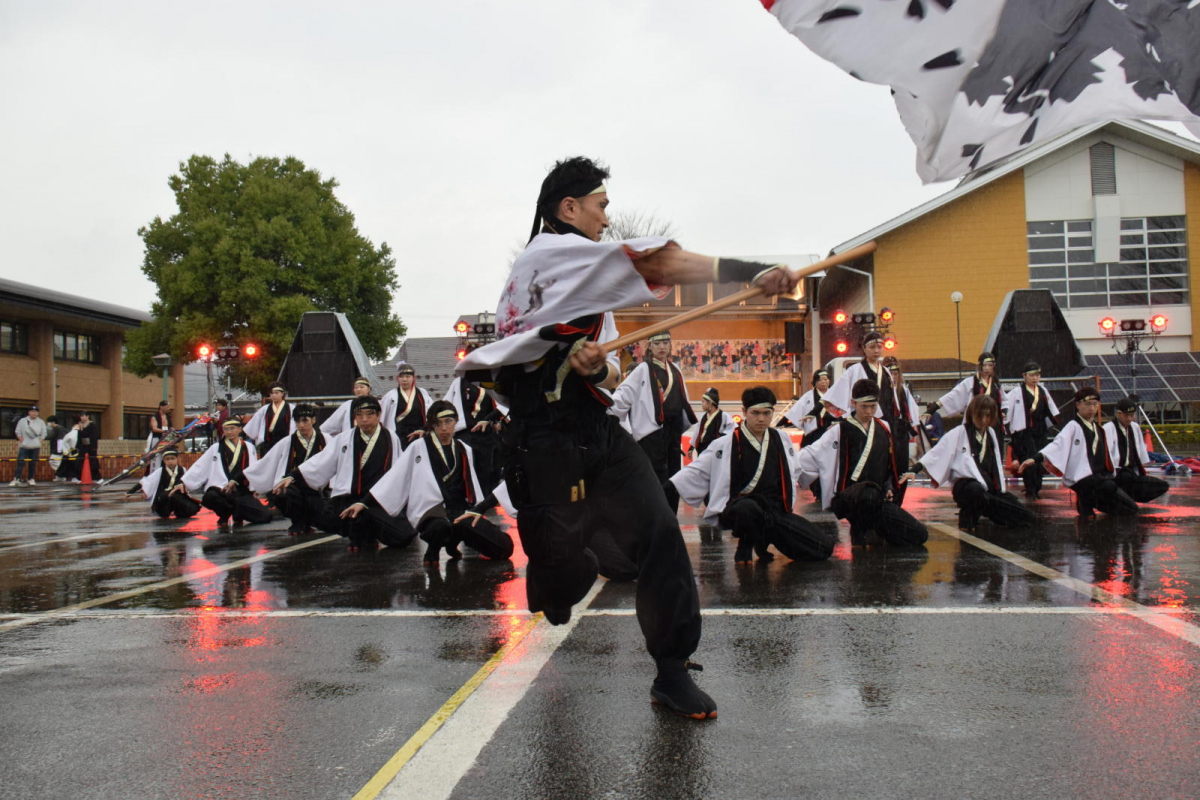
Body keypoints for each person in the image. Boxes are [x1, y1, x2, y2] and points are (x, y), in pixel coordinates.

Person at [456, 155, 799, 720]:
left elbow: (611, 376)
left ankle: (670, 670)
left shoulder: (584, 282)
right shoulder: (550, 256)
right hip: (544, 441)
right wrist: (751, 270)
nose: (606, 221)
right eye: (600, 207)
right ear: (568, 209)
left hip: (598, 431)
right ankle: (553, 570)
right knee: (567, 578)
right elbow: (658, 259)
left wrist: (594, 369)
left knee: (661, 531)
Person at [669, 386, 835, 563]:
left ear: (773, 412)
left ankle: (763, 540)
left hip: (774, 512)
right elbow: (697, 470)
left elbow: (795, 468)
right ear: (744, 411)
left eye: (767, 413)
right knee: (748, 509)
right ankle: (746, 544)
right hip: (740, 510)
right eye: (755, 413)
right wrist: (665, 489)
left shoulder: (782, 439)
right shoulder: (726, 443)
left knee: (822, 548)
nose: (761, 419)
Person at [372, 400, 514, 564]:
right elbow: (396, 476)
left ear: (455, 421)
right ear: (431, 425)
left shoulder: (463, 448)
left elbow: (471, 482)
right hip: (432, 510)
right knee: (439, 527)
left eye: (448, 421)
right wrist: (365, 503)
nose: (444, 428)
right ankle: (433, 549)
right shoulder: (419, 446)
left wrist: (477, 509)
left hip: (459, 508)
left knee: (504, 549)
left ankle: (453, 543)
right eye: (438, 423)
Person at [799, 379, 928, 547]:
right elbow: (812, 454)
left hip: (877, 497)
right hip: (850, 498)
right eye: (864, 406)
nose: (869, 411)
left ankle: (877, 528)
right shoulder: (840, 430)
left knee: (919, 534)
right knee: (868, 494)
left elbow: (889, 465)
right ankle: (859, 530)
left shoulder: (884, 428)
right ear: (853, 403)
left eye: (873, 406)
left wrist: (889, 487)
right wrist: (790, 463)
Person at [294, 395, 416, 551]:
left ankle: (368, 532)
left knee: (404, 536)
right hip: (349, 499)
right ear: (355, 417)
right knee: (325, 513)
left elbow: (398, 474)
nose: (364, 419)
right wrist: (294, 475)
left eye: (369, 414)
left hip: (377, 501)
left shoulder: (391, 437)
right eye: (360, 415)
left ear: (379, 415)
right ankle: (359, 535)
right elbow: (321, 462)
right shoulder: (344, 438)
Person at [904, 395, 1034, 533]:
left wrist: (999, 490)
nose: (983, 420)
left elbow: (995, 462)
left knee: (1027, 518)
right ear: (972, 414)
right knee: (977, 491)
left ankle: (988, 509)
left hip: (988, 488)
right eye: (980, 416)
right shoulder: (959, 433)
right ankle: (969, 515)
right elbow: (936, 453)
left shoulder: (990, 433)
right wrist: (914, 469)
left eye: (988, 416)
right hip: (966, 487)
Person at [1018, 386, 1138, 518]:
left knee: (1130, 508)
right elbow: (1057, 445)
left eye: (1095, 404)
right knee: (1108, 487)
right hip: (1081, 476)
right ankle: (1086, 503)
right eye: (1087, 404)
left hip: (1097, 475)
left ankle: (1093, 502)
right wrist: (1035, 458)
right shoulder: (1073, 426)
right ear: (1078, 405)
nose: (1092, 408)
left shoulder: (1098, 429)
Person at [610, 331, 698, 494]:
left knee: (674, 478)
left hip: (673, 430)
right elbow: (624, 394)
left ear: (671, 345)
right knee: (654, 480)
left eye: (665, 343)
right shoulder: (642, 369)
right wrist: (607, 410)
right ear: (649, 346)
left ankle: (670, 517)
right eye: (657, 343)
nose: (662, 347)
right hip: (652, 434)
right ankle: (654, 517)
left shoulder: (675, 369)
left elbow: (683, 398)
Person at [246, 403, 328, 534]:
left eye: (305, 421)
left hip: (319, 487)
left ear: (313, 420)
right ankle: (297, 521)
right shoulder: (288, 441)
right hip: (293, 487)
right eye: (298, 421)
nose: (301, 425)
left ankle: (309, 521)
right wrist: (238, 479)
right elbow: (267, 461)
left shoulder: (326, 439)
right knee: (282, 495)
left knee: (327, 519)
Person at [176, 418, 273, 526]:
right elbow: (200, 466)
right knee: (210, 497)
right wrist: (184, 482)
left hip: (241, 489)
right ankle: (225, 514)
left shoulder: (249, 447)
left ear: (240, 429)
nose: (229, 432)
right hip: (221, 488)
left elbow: (253, 468)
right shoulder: (216, 447)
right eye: (226, 429)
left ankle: (237, 513)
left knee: (265, 516)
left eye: (232, 428)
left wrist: (255, 486)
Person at [1005, 361, 1060, 499]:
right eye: (1031, 375)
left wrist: (1055, 421)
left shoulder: (1042, 391)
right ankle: (1031, 488)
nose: (1035, 378)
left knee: (1039, 458)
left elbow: (1051, 409)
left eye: (1037, 375)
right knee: (1028, 459)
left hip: (1039, 430)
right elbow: (1006, 411)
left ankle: (1037, 486)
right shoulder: (1016, 392)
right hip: (1024, 431)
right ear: (1024, 376)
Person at [444, 375, 507, 494]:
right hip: (465, 431)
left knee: (485, 468)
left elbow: (502, 405)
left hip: (485, 433)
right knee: (465, 466)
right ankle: (467, 497)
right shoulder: (460, 383)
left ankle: (484, 498)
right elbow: (447, 404)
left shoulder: (492, 382)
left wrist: (495, 421)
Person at [925, 352, 1006, 444]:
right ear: (979, 366)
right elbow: (953, 395)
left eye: (990, 365)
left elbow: (1004, 401)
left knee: (993, 447)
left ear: (993, 366)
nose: (987, 368)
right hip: (976, 420)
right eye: (984, 365)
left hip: (993, 421)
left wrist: (1004, 411)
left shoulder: (996, 384)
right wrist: (934, 407)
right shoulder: (971, 382)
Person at [1104, 396, 1169, 505]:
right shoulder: (1108, 428)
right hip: (1117, 473)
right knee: (1126, 477)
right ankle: (1121, 498)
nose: (1129, 418)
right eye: (1126, 415)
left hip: (1132, 471)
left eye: (1131, 415)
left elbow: (1140, 450)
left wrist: (1142, 468)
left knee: (1162, 485)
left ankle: (1130, 498)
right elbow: (1107, 454)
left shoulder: (1135, 427)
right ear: (1118, 414)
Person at [134, 448, 201, 519]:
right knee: (165, 498)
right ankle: (166, 512)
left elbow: (190, 480)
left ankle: (180, 512)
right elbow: (146, 481)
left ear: (177, 459)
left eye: (173, 458)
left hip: (178, 496)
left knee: (191, 508)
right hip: (164, 497)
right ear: (164, 460)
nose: (170, 461)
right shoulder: (160, 471)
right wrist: (130, 492)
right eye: (167, 459)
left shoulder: (182, 469)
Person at [380, 362, 433, 449]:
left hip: (419, 434)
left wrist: (424, 429)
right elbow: (382, 416)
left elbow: (431, 413)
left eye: (408, 377)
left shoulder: (422, 394)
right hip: (398, 435)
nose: (404, 379)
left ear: (414, 378)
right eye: (402, 377)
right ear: (397, 378)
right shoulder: (390, 396)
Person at [784, 369, 834, 446]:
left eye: (825, 379)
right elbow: (796, 411)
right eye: (820, 380)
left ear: (829, 380)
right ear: (815, 382)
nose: (823, 382)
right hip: (813, 433)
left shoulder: (834, 395)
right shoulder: (808, 396)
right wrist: (783, 422)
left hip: (831, 432)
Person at [244, 383, 296, 455]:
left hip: (286, 442)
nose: (274, 395)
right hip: (268, 443)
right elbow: (254, 424)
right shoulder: (264, 409)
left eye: (276, 393)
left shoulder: (291, 408)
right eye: (272, 393)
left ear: (282, 394)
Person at [685, 387, 733, 457]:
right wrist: (691, 448)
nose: (702, 404)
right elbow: (697, 432)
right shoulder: (703, 417)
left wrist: (721, 438)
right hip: (702, 449)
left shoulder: (723, 416)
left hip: (715, 450)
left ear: (710, 403)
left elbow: (732, 430)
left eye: (703, 402)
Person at [11, 406, 47, 487]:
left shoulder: (41, 422)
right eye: (32, 411)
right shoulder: (22, 421)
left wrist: (40, 441)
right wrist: (21, 439)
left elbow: (44, 433)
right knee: (20, 462)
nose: (34, 413)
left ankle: (30, 478)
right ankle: (17, 479)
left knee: (33, 463)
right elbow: (18, 431)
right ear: (29, 412)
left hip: (35, 446)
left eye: (36, 411)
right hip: (24, 445)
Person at [76, 411, 101, 481]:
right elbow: (79, 436)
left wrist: (94, 447)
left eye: (83, 416)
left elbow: (94, 436)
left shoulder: (92, 425)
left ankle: (97, 478)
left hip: (90, 446)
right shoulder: (81, 425)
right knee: (80, 461)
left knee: (92, 462)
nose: (82, 417)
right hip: (82, 446)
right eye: (81, 416)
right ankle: (80, 478)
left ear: (87, 416)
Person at [55, 417, 82, 483]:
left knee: (66, 465)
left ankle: (60, 476)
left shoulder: (73, 432)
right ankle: (71, 477)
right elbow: (70, 440)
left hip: (70, 451)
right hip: (72, 451)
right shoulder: (75, 431)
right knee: (71, 465)